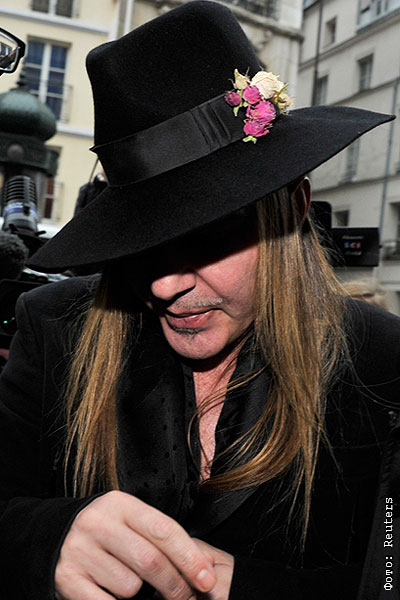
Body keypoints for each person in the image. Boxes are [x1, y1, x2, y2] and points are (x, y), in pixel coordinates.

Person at [0, 2, 399, 599]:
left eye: (207, 235)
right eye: (142, 243)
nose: (163, 287)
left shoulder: (383, 360)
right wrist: (46, 540)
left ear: (292, 207)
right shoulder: (56, 327)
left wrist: (245, 589)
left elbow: (387, 571)